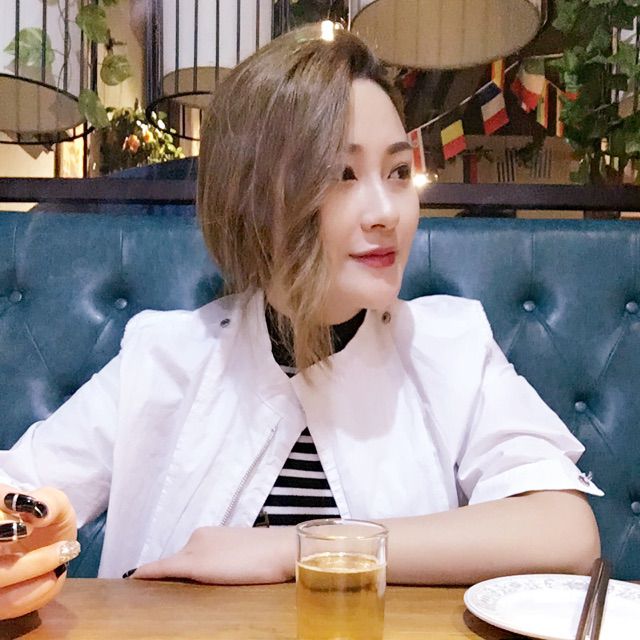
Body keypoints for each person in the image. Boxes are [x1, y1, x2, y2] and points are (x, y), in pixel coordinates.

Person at [0, 24, 601, 621]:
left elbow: (566, 532)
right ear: (255, 196)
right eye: (342, 175)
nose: (387, 212)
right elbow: (19, 493)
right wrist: (21, 542)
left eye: (398, 172)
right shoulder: (165, 356)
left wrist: (291, 549)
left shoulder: (451, 347)